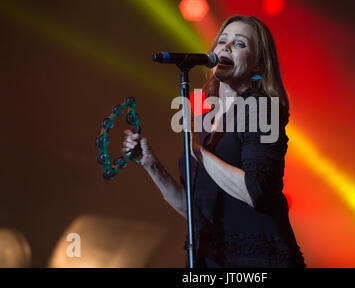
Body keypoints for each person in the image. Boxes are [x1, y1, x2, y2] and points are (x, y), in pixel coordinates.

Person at [123, 15, 306, 268]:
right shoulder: (206, 116)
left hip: (256, 260)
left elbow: (258, 192)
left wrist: (199, 152)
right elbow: (193, 210)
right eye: (222, 41)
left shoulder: (261, 109)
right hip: (211, 260)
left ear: (257, 65)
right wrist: (151, 164)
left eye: (239, 44)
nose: (226, 48)